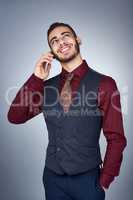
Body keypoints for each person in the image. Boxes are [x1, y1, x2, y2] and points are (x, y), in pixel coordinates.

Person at [7, 22, 127, 200]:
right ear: (52, 52)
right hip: (52, 179)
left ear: (77, 40)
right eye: (54, 41)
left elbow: (116, 138)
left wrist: (105, 178)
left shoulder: (105, 84)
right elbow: (15, 117)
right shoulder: (45, 87)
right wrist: (36, 77)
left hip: (89, 180)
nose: (61, 42)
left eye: (65, 36)